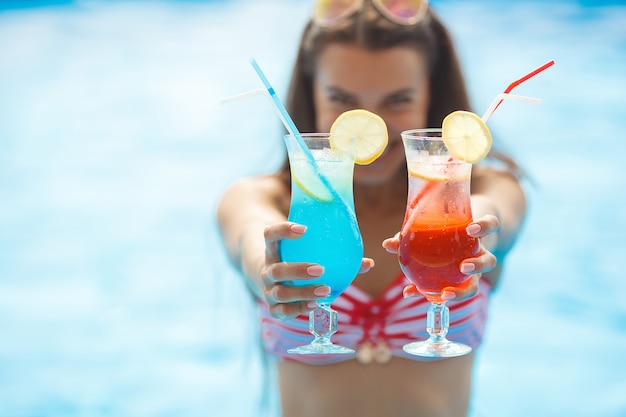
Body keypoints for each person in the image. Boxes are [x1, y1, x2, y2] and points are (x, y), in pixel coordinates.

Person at [217, 0, 527, 416]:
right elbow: (251, 236)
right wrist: (269, 272)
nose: (372, 126)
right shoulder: (261, 198)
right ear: (310, 94)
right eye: (342, 99)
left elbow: (495, 213)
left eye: (398, 99)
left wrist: (472, 233)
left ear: (431, 95)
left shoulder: (490, 185)